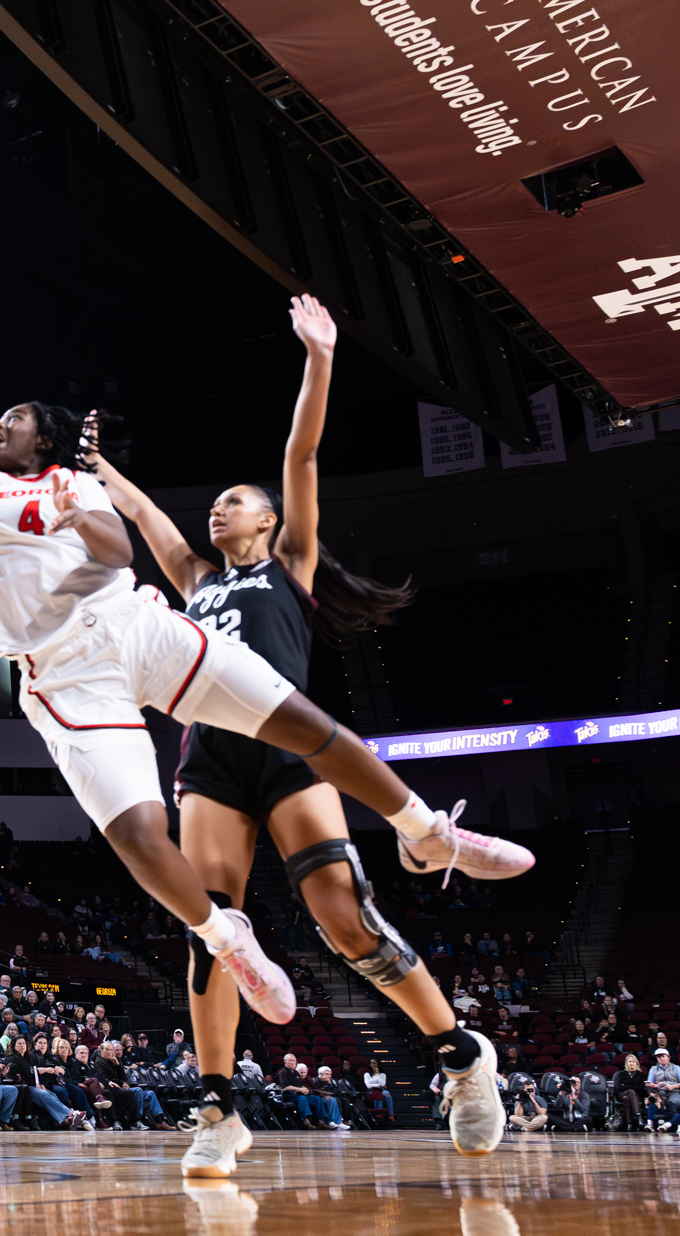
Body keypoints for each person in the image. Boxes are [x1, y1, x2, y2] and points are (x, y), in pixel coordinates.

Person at [0, 279, 532, 1034]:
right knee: (134, 833)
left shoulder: (73, 484)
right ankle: (232, 941)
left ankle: (427, 831)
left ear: (44, 440)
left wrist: (76, 515)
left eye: (13, 418)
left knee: (309, 726)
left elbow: (124, 546)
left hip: (132, 625)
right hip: (64, 676)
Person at [94, 297, 527, 1177]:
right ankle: (217, 1109)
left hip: (291, 750)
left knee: (341, 912)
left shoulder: (290, 568)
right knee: (211, 926)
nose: (218, 512)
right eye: (214, 506)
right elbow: (147, 520)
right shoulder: (193, 580)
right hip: (210, 760)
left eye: (234, 503)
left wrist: (319, 358)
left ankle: (460, 1056)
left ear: (267, 522)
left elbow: (301, 453)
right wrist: (97, 466)